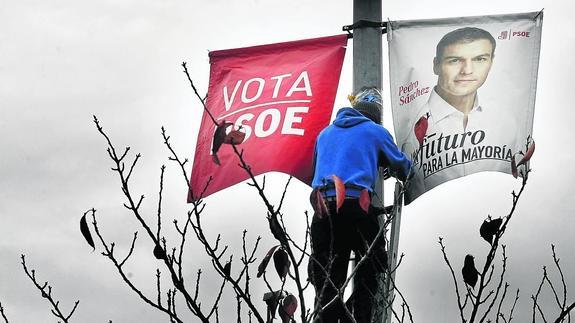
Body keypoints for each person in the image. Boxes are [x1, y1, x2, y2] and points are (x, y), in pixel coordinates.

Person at [308, 87, 412, 322]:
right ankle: (358, 317)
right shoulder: (375, 131)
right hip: (356, 209)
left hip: (323, 212)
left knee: (328, 282)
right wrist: (403, 165)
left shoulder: (324, 134)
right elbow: (404, 167)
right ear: (375, 113)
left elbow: (321, 169)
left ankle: (331, 316)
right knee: (372, 268)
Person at [402, 27, 521, 203]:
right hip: (433, 226)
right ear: (436, 65)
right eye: (455, 60)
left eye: (480, 59)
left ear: (491, 62)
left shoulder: (506, 123)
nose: (467, 70)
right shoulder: (410, 130)